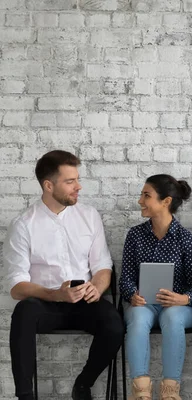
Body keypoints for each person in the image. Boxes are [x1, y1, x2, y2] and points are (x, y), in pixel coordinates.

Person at [4, 150, 124, 400]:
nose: (78, 186)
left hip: (84, 302)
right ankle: (25, 396)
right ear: (49, 185)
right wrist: (55, 294)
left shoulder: (89, 216)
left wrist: (97, 287)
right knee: (23, 314)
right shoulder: (24, 224)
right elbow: (17, 285)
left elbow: (102, 264)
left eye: (77, 179)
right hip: (45, 304)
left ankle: (83, 384)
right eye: (70, 181)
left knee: (114, 324)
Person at [119, 174, 192, 400]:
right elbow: (125, 278)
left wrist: (183, 299)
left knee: (173, 317)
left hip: (178, 308)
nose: (140, 200)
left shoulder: (186, 240)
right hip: (144, 304)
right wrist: (132, 294)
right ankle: (141, 393)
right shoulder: (135, 236)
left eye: (146, 195)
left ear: (166, 202)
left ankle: (169, 393)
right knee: (136, 317)